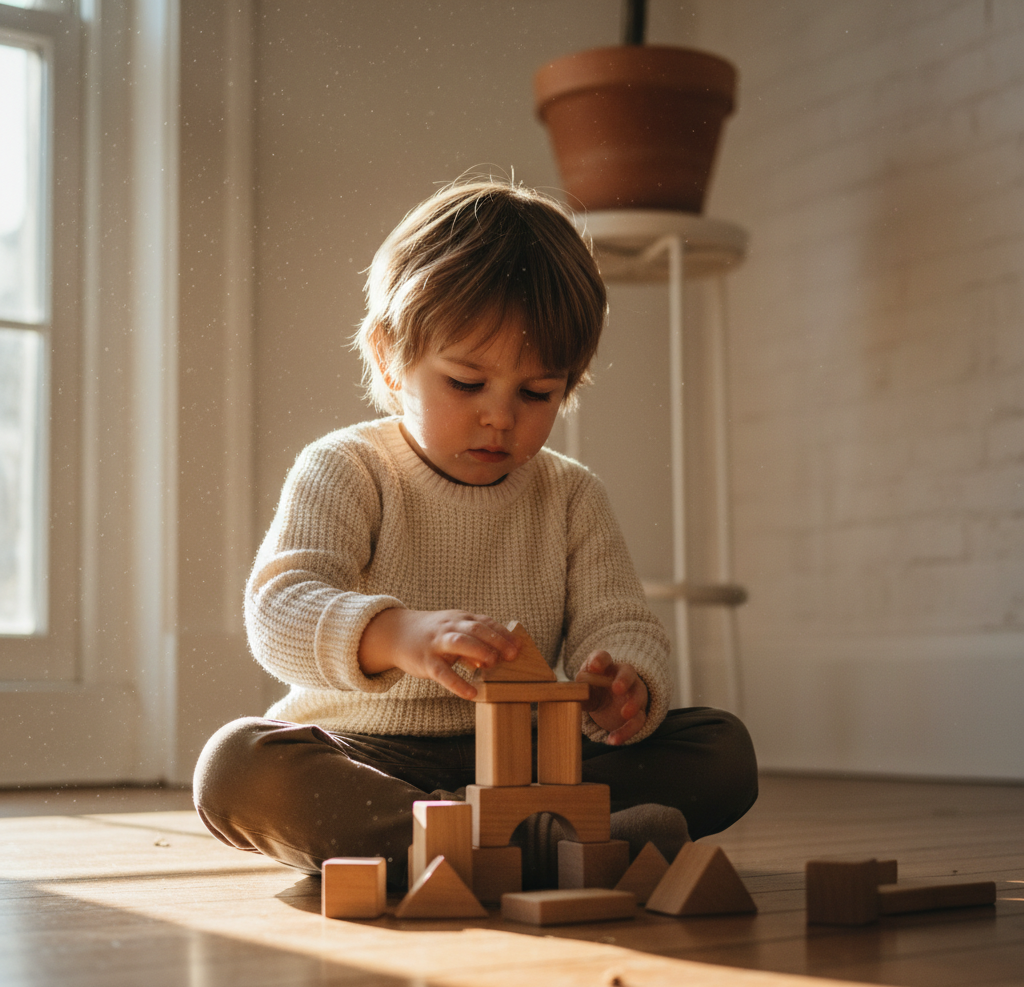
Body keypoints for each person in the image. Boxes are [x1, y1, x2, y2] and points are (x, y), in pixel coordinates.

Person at [193, 179, 757, 890]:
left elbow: (619, 620)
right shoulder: (347, 467)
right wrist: (399, 635)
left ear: (568, 385)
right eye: (466, 383)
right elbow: (278, 608)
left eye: (536, 394)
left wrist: (623, 688)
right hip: (372, 754)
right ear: (391, 357)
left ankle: (496, 846)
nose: (500, 417)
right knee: (237, 766)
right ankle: (524, 844)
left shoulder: (571, 493)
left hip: (528, 761)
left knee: (721, 748)